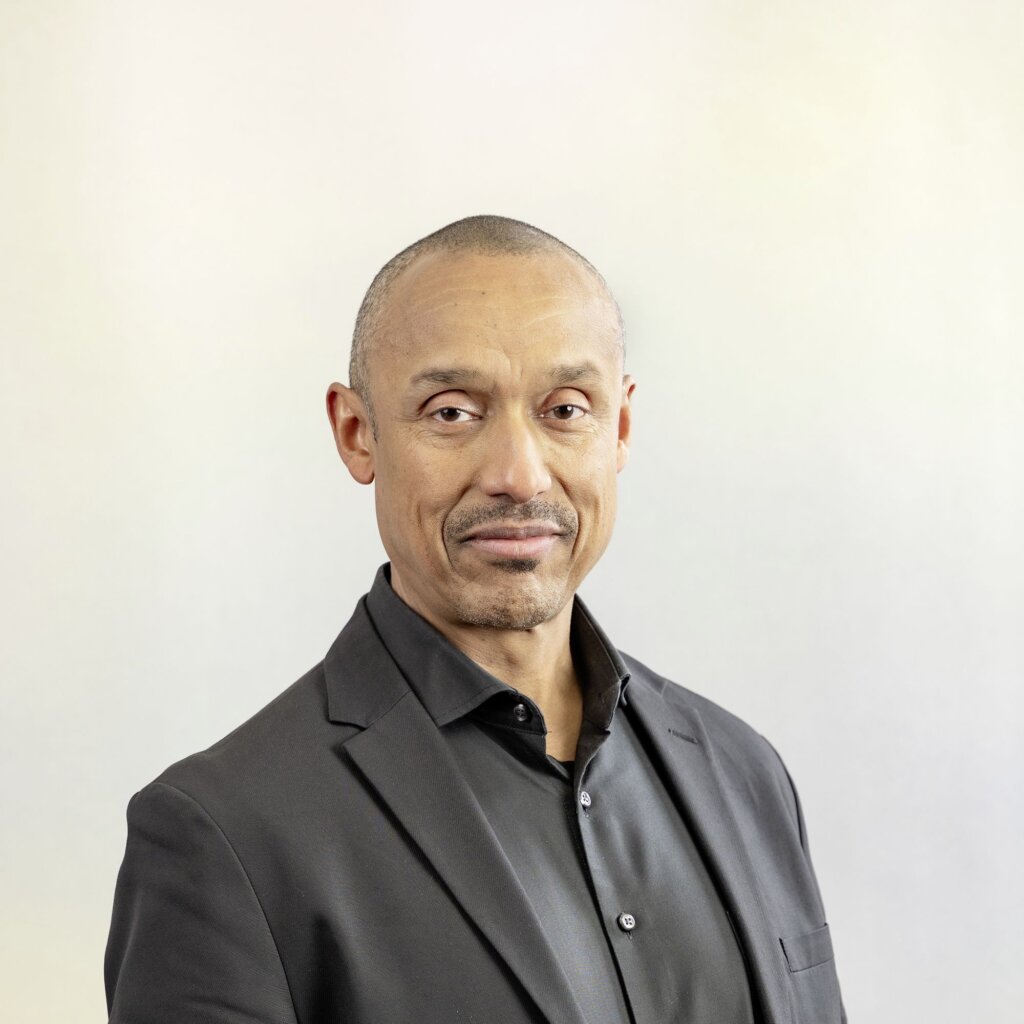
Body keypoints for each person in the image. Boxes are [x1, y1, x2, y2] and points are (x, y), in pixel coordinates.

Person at [105, 215, 846, 1024]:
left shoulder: (744, 771)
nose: (518, 475)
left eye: (565, 409)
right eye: (453, 412)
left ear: (621, 427)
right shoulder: (226, 835)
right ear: (357, 434)